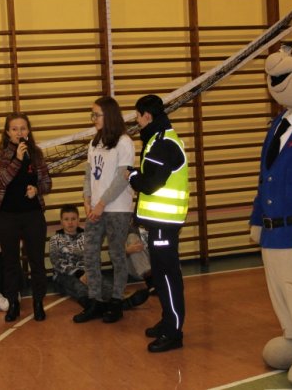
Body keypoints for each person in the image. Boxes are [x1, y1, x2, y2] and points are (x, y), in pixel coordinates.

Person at [128, 94, 189, 353]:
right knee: (161, 276)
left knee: (167, 275)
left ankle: (174, 332)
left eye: (137, 116)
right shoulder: (158, 139)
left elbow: (151, 184)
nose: (137, 121)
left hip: (165, 223)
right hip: (160, 223)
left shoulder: (163, 143)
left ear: (147, 116)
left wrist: (132, 175)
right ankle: (167, 321)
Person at [73, 96, 135, 324]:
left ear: (108, 115)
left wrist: (101, 204)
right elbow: (88, 174)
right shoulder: (94, 142)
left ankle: (116, 301)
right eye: (92, 114)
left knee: (117, 254)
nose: (93, 118)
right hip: (95, 209)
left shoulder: (124, 142)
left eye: (96, 114)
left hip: (117, 208)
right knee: (90, 254)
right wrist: (87, 199)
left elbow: (121, 178)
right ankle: (96, 301)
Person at [0, 112, 52, 322]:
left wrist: (37, 189)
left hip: (33, 215)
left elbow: (47, 183)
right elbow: (2, 180)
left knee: (37, 262)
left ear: (28, 131)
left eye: (23, 128)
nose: (19, 132)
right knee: (10, 263)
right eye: (15, 129)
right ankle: (13, 304)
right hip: (7, 217)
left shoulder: (36, 154)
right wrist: (17, 159)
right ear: (8, 132)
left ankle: (38, 302)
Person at [50, 204, 148, 309]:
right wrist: (79, 274)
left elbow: (94, 256)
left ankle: (123, 303)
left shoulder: (86, 236)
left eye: (73, 219)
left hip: (88, 272)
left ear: (78, 220)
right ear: (61, 221)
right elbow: (57, 262)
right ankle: (94, 307)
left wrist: (91, 272)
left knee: (106, 287)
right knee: (80, 288)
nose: (70, 222)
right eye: (66, 219)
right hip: (66, 275)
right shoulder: (55, 239)